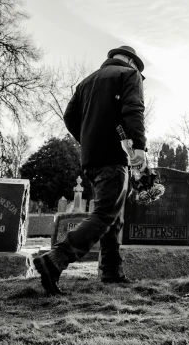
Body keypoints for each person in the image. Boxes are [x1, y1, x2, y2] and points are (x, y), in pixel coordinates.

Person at [32, 45, 147, 296]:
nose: (138, 69)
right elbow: (133, 109)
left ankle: (111, 271)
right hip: (114, 156)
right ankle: (56, 260)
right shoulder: (129, 75)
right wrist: (139, 147)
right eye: (137, 65)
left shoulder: (85, 82)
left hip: (91, 158)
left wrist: (88, 140)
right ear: (130, 60)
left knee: (112, 215)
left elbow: (70, 118)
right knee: (106, 213)